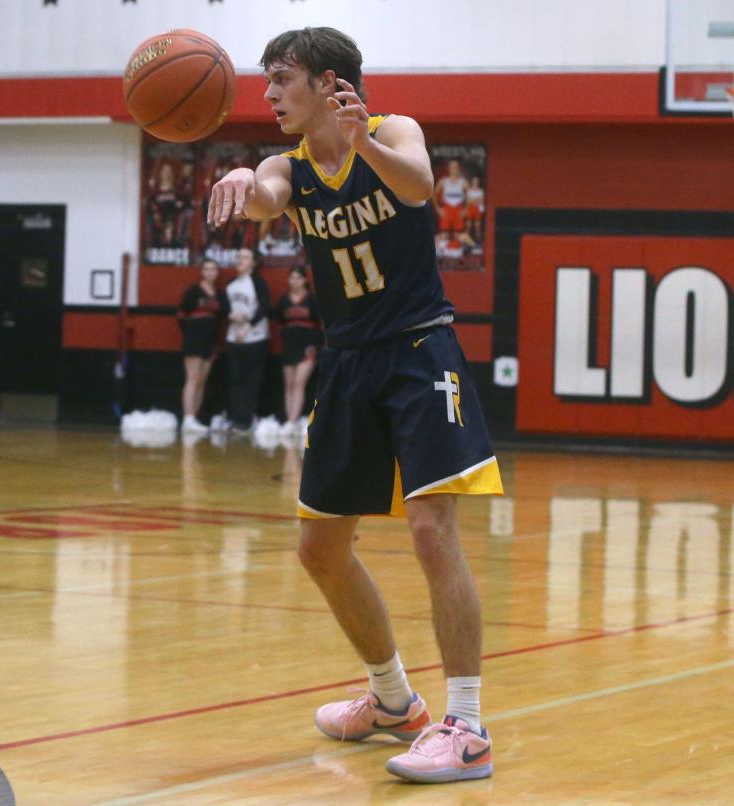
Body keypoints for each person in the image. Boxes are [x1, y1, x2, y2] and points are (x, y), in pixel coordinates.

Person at [208, 27, 503, 784]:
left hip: (418, 350)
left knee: (433, 529)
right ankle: (392, 700)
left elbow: (416, 185)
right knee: (320, 549)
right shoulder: (287, 165)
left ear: (331, 84)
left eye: (282, 79)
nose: (269, 94)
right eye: (266, 81)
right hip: (347, 364)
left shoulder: (393, 131)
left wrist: (359, 139)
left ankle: (466, 727)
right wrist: (247, 178)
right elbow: (271, 198)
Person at [222, 247, 270, 434]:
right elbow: (225, 307)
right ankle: (234, 418)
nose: (240, 260)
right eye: (239, 257)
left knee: (253, 380)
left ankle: (248, 419)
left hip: (255, 338)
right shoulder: (230, 284)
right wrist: (230, 315)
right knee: (235, 379)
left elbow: (265, 306)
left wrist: (248, 324)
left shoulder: (258, 283)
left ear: (253, 263)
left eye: (245, 257)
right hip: (234, 338)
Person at [176, 258, 227, 433]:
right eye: (206, 269)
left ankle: (194, 419)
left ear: (217, 273)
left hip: (210, 341)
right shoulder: (193, 291)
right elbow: (181, 315)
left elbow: (222, 318)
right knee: (192, 378)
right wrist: (191, 332)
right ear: (202, 272)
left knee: (202, 381)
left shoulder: (220, 295)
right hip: (194, 340)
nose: (210, 272)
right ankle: (187, 418)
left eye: (213, 269)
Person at [274, 265, 320, 433]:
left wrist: (314, 346)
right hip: (289, 347)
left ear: (304, 280)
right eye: (292, 278)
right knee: (289, 385)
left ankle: (293, 421)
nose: (294, 281)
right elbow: (278, 322)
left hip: (308, 348)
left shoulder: (312, 300)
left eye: (298, 278)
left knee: (299, 384)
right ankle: (289, 421)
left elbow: (319, 325)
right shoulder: (284, 301)